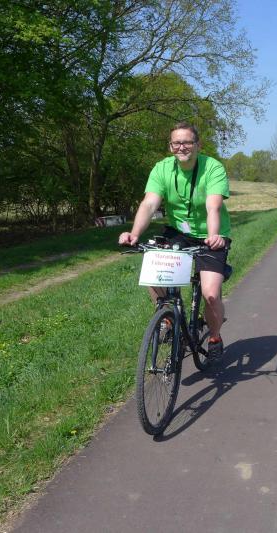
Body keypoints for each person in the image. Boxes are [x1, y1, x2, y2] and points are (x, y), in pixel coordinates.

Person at [118, 122, 231, 359]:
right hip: (178, 231)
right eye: (177, 143)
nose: (182, 147)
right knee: (153, 269)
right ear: (170, 146)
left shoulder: (212, 168)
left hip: (211, 234)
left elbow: (213, 207)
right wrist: (134, 234)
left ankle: (215, 336)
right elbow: (149, 204)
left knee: (211, 294)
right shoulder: (162, 169)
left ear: (198, 145)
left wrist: (213, 235)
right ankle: (167, 317)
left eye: (187, 142)